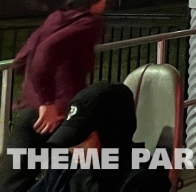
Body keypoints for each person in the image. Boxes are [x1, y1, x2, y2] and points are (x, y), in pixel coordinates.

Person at [0, 0, 112, 192]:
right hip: (60, 112)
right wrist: (49, 101)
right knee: (90, 165)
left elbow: (23, 57)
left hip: (34, 110)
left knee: (14, 178)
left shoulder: (57, 18)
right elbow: (45, 51)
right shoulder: (89, 24)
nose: (106, 1)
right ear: (93, 0)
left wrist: (38, 95)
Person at [30, 82, 169, 192]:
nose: (72, 149)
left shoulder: (143, 179)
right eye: (70, 141)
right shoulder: (64, 167)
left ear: (110, 135)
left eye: (81, 139)